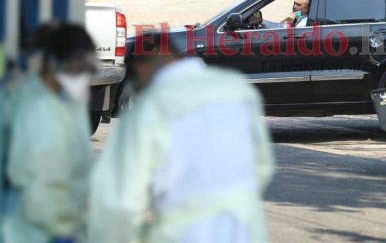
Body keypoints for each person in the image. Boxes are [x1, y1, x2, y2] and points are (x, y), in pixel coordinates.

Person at [88, 32, 275, 243]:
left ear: (140, 68)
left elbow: (119, 200)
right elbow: (262, 166)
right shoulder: (237, 90)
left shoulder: (147, 110)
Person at [3, 23, 96, 243]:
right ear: (52, 64)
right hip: (34, 229)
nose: (81, 76)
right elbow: (40, 186)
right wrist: (64, 228)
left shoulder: (66, 102)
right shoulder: (36, 108)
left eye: (86, 69)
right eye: (75, 68)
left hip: (61, 222)